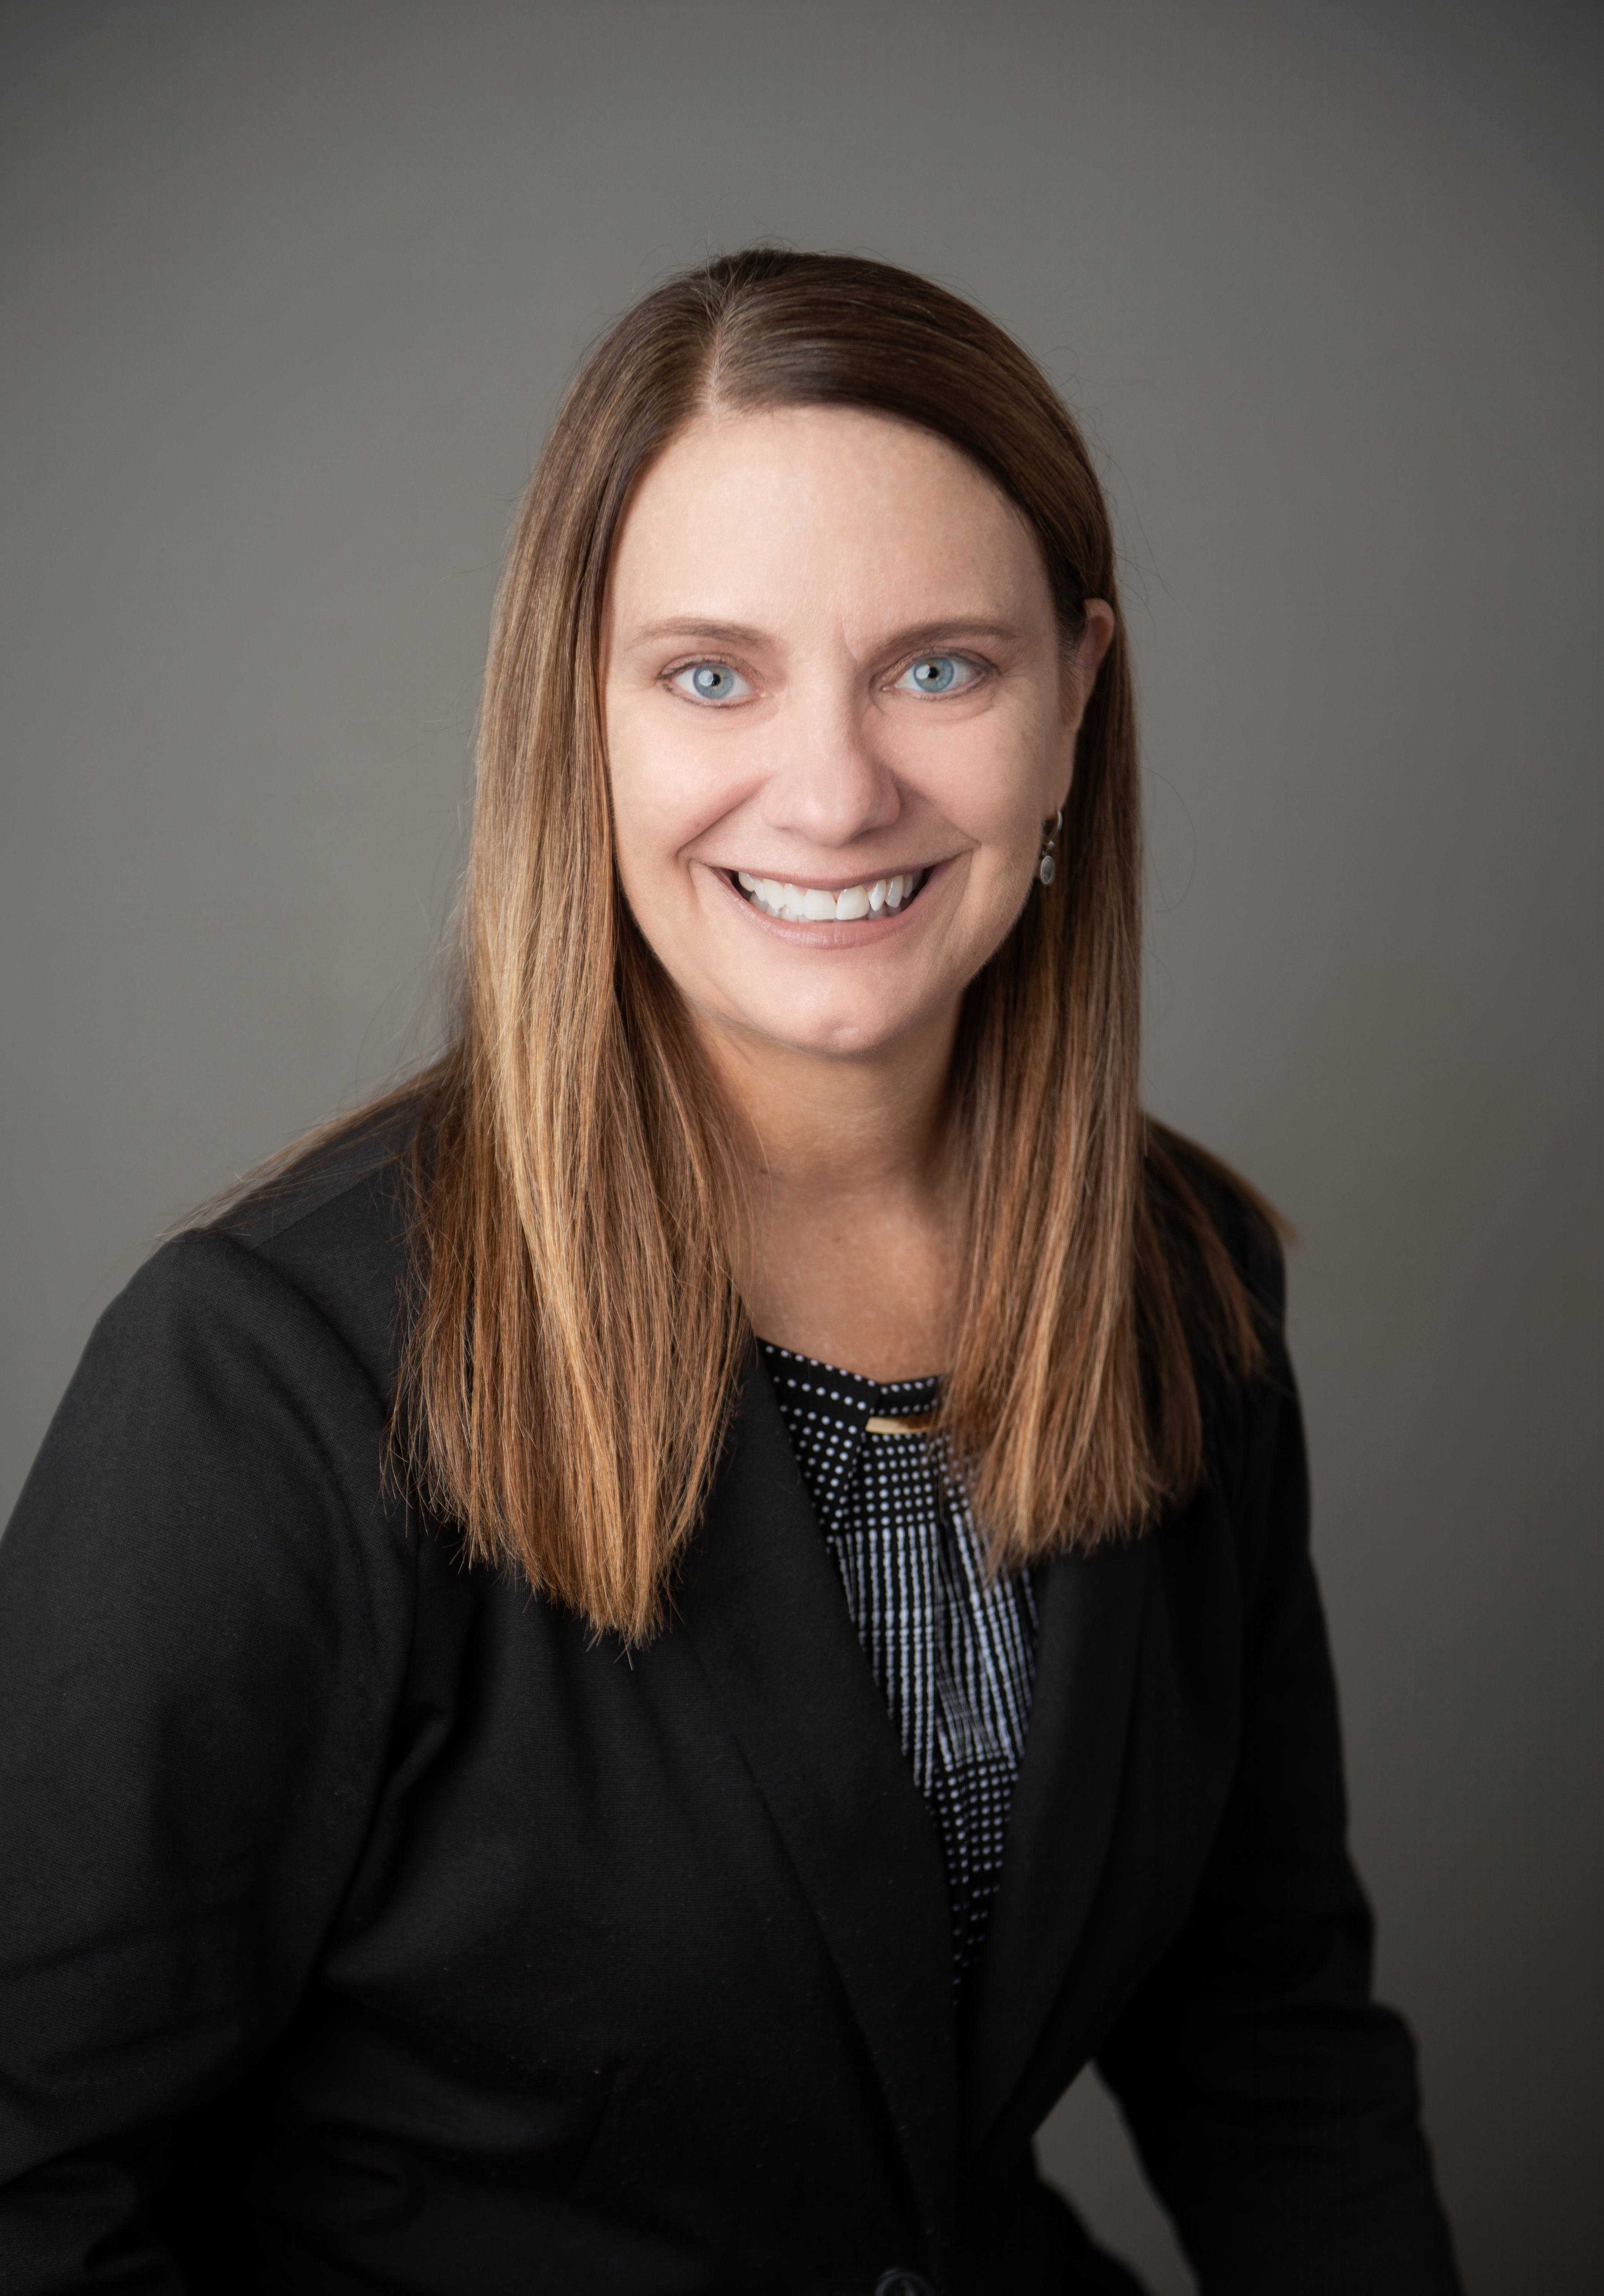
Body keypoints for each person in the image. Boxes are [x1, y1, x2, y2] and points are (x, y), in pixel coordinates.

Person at [0, 249, 1460, 2295]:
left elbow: (1271, 2047)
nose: (837, 791)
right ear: (574, 715)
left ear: (1074, 700)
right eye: (712, 676)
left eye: (939, 668)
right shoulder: (267, 1378)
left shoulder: (1182, 1287)